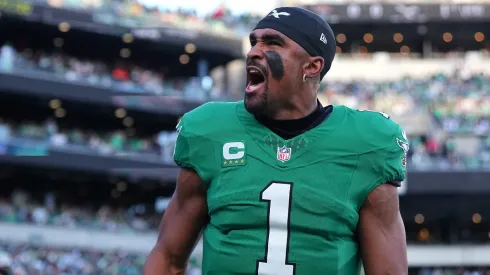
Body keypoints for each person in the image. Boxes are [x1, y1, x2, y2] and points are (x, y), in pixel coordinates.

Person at [144, 7, 409, 275]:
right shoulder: (211, 131)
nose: (254, 52)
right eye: (254, 42)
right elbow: (167, 257)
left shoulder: (366, 143)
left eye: (272, 42)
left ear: (312, 66)